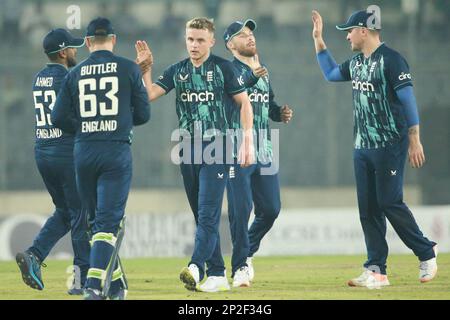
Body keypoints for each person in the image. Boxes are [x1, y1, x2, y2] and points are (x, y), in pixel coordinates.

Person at [311, 9, 437, 287]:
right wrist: (318, 40)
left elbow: (408, 100)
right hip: (362, 145)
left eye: (350, 30)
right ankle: (376, 270)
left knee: (389, 202)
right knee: (368, 209)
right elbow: (332, 73)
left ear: (364, 31)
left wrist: (414, 138)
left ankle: (426, 253)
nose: (347, 36)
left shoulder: (392, 60)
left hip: (390, 143)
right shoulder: (357, 62)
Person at [134, 17, 254, 292]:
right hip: (188, 148)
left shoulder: (223, 68)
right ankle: (217, 274)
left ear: (211, 41)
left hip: (218, 146)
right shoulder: (178, 70)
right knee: (201, 216)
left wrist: (248, 141)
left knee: (208, 213)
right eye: (190, 39)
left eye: (200, 40)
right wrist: (146, 69)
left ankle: (195, 266)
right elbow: (148, 94)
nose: (194, 45)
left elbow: (244, 103)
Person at [51, 17, 150, 300]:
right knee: (108, 223)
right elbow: (143, 115)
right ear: (114, 40)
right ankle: (94, 286)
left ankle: (117, 285)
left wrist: (85, 126)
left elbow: (57, 117)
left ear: (88, 43)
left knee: (98, 224)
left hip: (84, 152)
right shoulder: (129, 69)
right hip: (115, 151)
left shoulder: (74, 73)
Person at [16, 28, 90, 296]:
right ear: (62, 52)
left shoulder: (39, 78)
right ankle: (81, 280)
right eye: (72, 48)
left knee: (65, 211)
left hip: (43, 151)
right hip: (65, 151)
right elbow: (74, 116)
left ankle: (34, 254)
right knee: (82, 215)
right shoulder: (69, 77)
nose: (75, 51)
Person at [223, 19, 293, 287]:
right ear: (230, 45)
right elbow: (234, 96)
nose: (249, 37)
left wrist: (279, 113)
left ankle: (246, 252)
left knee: (271, 209)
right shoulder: (229, 70)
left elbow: (268, 102)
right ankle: (239, 266)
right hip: (238, 148)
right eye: (242, 35)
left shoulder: (262, 70)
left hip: (264, 149)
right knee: (241, 209)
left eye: (250, 33)